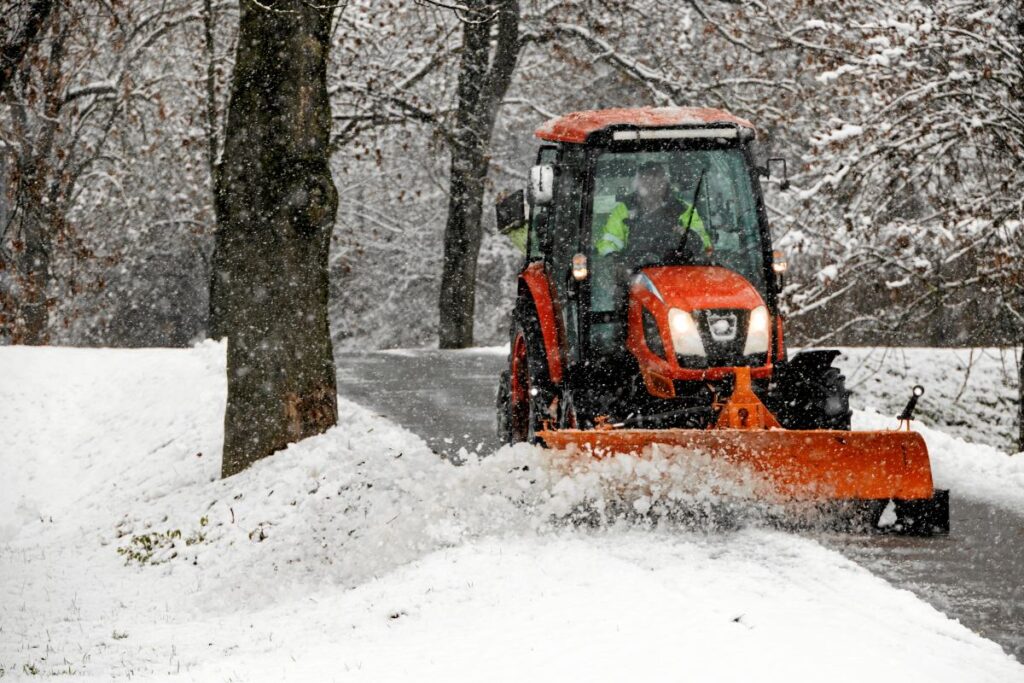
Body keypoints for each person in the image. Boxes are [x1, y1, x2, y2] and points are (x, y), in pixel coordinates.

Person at [595, 162, 711, 263]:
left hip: (678, 268)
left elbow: (704, 244)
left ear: (665, 183)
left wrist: (687, 235)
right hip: (635, 271)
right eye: (647, 180)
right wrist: (615, 258)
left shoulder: (683, 209)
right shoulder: (623, 210)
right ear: (638, 184)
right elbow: (609, 243)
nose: (652, 185)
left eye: (657, 180)